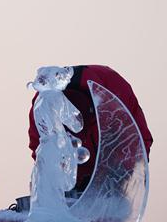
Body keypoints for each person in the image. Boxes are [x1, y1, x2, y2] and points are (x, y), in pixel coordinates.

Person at [27, 64, 153, 195]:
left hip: (112, 176)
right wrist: (61, 182)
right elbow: (42, 151)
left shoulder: (114, 97)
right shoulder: (45, 105)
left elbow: (137, 141)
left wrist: (118, 175)